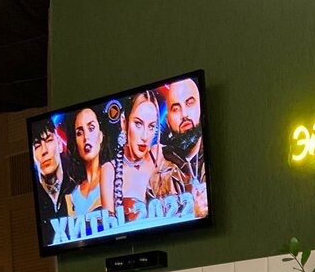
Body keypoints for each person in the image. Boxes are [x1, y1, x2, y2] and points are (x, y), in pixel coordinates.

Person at [99, 89, 169, 222]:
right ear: (124, 122)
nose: (145, 136)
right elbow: (110, 229)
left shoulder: (159, 155)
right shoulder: (109, 170)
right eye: (138, 124)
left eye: (151, 126)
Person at [161, 77, 208, 217]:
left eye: (190, 103)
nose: (184, 115)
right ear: (168, 121)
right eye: (176, 109)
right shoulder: (158, 179)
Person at [66, 106, 104, 219]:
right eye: (79, 133)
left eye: (91, 128)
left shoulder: (114, 179)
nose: (86, 137)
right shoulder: (71, 195)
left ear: (101, 136)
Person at [31, 118, 71, 227]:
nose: (44, 151)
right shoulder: (33, 200)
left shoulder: (76, 186)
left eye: (49, 140)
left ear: (59, 144)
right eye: (37, 145)